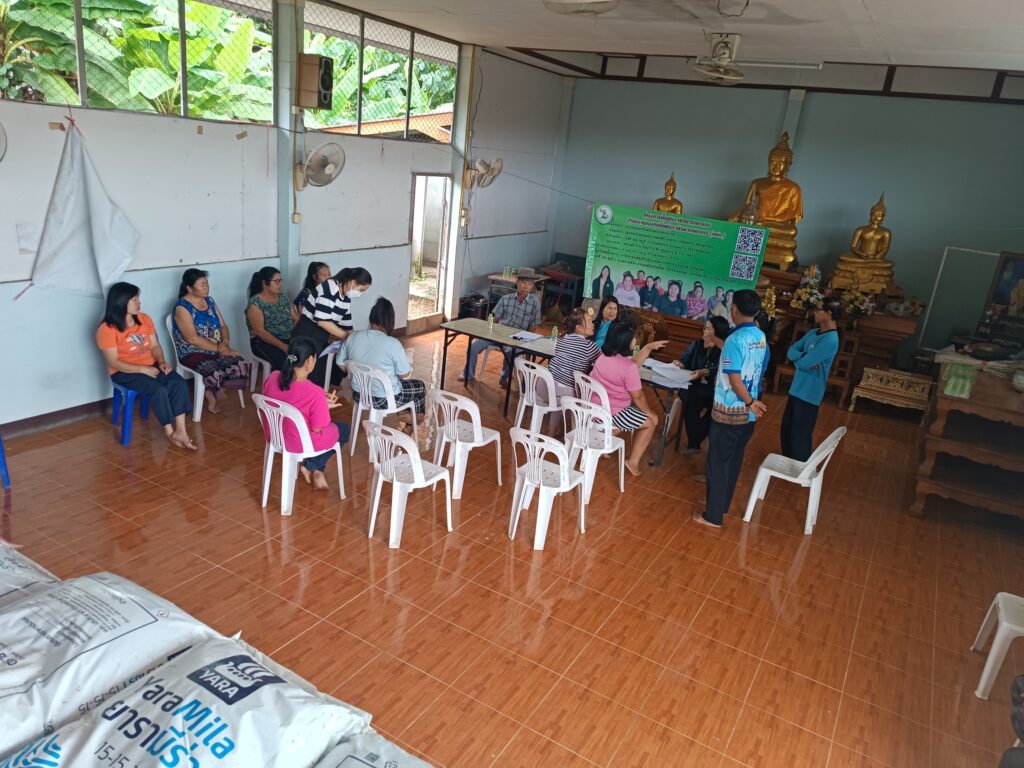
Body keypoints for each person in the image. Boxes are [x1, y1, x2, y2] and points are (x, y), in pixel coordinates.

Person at [696, 289, 768, 530]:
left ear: (734, 309)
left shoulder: (735, 340)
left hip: (730, 411)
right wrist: (751, 404)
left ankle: (713, 516)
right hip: (748, 415)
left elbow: (734, 378)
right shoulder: (759, 336)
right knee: (733, 460)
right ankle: (721, 505)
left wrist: (748, 401)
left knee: (717, 462)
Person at [96, 282, 195, 450]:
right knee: (158, 390)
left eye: (138, 298)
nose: (139, 303)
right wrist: (143, 369)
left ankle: (181, 430)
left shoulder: (144, 319)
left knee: (178, 383)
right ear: (121, 301)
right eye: (134, 299)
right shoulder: (106, 329)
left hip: (151, 365)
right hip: (123, 371)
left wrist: (161, 361)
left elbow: (155, 346)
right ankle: (169, 431)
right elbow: (113, 362)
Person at [262, 336, 350, 491]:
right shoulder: (314, 393)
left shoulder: (273, 377)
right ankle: (312, 466)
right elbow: (317, 428)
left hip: (275, 436)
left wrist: (320, 404)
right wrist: (322, 407)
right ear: (310, 361)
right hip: (298, 442)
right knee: (344, 430)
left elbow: (289, 400)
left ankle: (315, 468)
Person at [337, 298, 426, 432]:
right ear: (389, 322)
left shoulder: (352, 337)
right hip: (384, 399)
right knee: (419, 386)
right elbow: (404, 374)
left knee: (398, 384)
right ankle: (412, 421)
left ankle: (406, 416)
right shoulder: (393, 344)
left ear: (371, 318)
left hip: (359, 395)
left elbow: (340, 363)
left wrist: (357, 372)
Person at [172, 268, 249, 414]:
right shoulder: (182, 308)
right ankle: (211, 394)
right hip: (192, 351)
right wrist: (220, 349)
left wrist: (225, 343)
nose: (206, 287)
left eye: (207, 283)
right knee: (215, 371)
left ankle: (215, 388)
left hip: (217, 347)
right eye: (202, 284)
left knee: (241, 364)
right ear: (189, 288)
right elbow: (192, 339)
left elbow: (223, 326)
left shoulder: (210, 301)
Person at [589, 322, 661, 476]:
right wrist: (649, 412)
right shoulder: (628, 368)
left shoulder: (603, 357)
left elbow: (629, 365)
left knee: (630, 413)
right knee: (650, 423)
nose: (636, 340)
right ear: (626, 341)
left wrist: (647, 348)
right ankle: (632, 462)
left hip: (594, 407)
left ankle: (604, 443)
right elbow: (638, 396)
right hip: (613, 412)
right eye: (634, 337)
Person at [781, 297, 842, 461]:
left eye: (818, 309)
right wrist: (803, 357)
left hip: (809, 394)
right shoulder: (812, 333)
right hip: (796, 389)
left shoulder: (830, 340)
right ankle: (787, 464)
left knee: (800, 435)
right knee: (787, 430)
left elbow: (803, 363)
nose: (814, 312)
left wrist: (802, 360)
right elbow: (791, 351)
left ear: (829, 313)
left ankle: (800, 468)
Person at [294, 266, 372, 388]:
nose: (360, 294)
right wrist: (346, 336)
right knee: (306, 370)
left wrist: (357, 340)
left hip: (321, 335)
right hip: (307, 332)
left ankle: (319, 393)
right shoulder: (329, 287)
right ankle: (305, 396)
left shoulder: (346, 297)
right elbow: (322, 321)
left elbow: (348, 326)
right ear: (353, 283)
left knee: (319, 370)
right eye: (361, 290)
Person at [460, 274, 541, 388]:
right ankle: (468, 374)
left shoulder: (535, 302)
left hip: (517, 338)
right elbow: (494, 319)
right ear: (517, 282)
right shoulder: (505, 299)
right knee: (474, 346)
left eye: (530, 283)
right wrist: (487, 331)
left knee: (510, 351)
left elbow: (533, 325)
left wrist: (527, 341)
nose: (527, 286)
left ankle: (503, 377)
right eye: (524, 282)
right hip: (498, 334)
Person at [674, 317, 730, 454]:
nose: (704, 331)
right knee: (690, 399)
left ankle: (695, 440)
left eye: (708, 328)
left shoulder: (725, 350)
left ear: (717, 331)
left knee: (715, 408)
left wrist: (705, 372)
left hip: (715, 390)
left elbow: (720, 369)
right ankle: (694, 443)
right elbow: (684, 360)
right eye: (704, 328)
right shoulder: (697, 344)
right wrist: (679, 363)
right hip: (693, 386)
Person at [246, 266, 298, 371]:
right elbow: (260, 332)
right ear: (265, 283)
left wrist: (294, 338)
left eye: (280, 281)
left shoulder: (283, 298)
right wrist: (283, 346)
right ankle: (285, 381)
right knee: (288, 362)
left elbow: (296, 318)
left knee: (305, 354)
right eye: (276, 281)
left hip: (288, 339)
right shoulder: (255, 304)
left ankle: (305, 380)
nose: (280, 285)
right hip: (265, 343)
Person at [548, 309, 600, 401]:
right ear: (579, 328)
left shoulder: (561, 338)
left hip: (544, 385)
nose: (593, 324)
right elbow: (603, 361)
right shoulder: (588, 346)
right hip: (563, 394)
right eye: (589, 322)